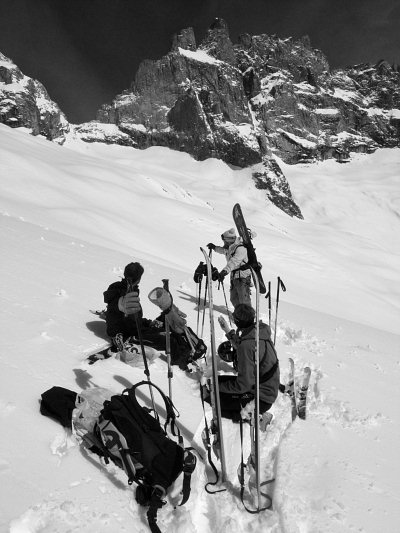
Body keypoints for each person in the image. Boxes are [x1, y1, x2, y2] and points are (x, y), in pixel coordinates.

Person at [204, 304, 279, 422]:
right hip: (265, 388)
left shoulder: (248, 345)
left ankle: (252, 416)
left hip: (261, 398)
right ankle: (253, 413)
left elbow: (243, 385)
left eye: (235, 318)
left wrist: (215, 387)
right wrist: (228, 332)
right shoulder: (258, 332)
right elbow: (243, 346)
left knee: (212, 398)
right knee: (215, 381)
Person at [103, 262, 165, 351]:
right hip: (124, 333)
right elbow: (132, 324)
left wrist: (148, 323)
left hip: (113, 328)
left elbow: (127, 317)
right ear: (139, 279)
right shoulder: (130, 294)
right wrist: (150, 329)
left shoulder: (115, 286)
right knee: (164, 337)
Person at [207, 228, 252, 308]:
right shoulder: (231, 248)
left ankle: (249, 318)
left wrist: (224, 272)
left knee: (244, 300)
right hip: (235, 276)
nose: (224, 242)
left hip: (243, 277)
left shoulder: (241, 248)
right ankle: (239, 315)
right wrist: (214, 247)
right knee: (234, 299)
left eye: (225, 241)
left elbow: (234, 262)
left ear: (229, 240)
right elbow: (224, 251)